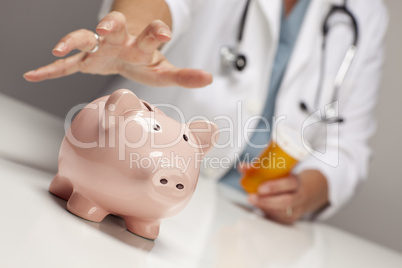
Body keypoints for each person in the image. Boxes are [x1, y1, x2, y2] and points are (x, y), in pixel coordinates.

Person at [23, 0, 388, 224]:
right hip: (127, 178)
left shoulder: (365, 11)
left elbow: (348, 145)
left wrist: (306, 191)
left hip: (250, 221)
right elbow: (161, 4)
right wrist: (131, 33)